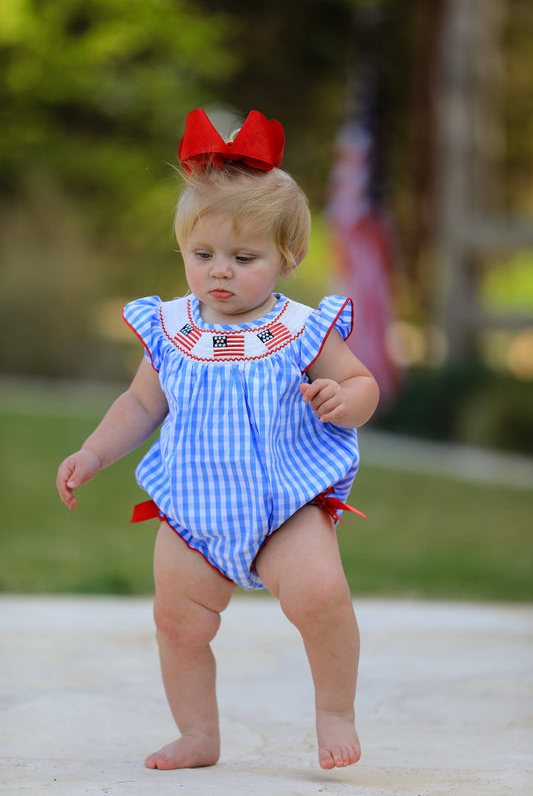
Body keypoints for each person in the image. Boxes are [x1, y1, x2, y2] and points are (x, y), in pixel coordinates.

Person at [56, 108, 380, 772]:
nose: (219, 271)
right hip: (193, 511)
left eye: (243, 257)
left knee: (321, 598)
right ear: (183, 251)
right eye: (202, 255)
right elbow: (140, 404)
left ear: (286, 257)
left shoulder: (303, 329)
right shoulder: (171, 328)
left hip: (284, 505)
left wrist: (343, 400)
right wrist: (93, 451)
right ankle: (198, 733)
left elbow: (361, 383)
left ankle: (334, 712)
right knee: (178, 624)